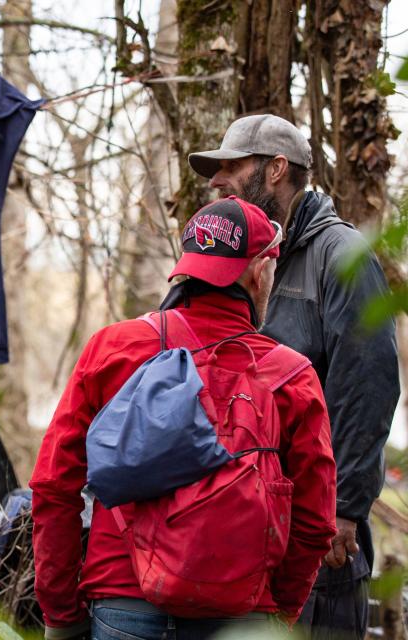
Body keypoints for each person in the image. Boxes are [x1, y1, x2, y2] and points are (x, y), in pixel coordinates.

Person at [31, 196, 337, 640]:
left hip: (124, 605)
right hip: (242, 616)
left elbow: (55, 487)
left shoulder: (115, 348)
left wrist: (60, 614)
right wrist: (275, 614)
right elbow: (315, 524)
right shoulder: (292, 377)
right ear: (258, 270)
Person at [190, 114, 400, 638]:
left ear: (277, 169)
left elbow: (367, 386)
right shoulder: (251, 256)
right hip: (251, 526)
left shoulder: (341, 256)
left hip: (319, 529)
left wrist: (343, 510)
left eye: (233, 167)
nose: (218, 181)